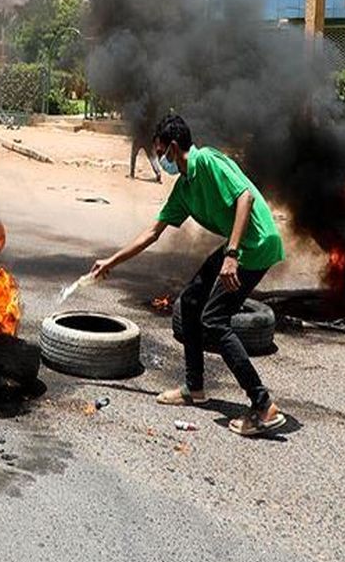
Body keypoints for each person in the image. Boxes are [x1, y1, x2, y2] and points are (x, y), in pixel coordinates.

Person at [90, 114, 286, 436]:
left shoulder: (207, 160)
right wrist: (111, 261)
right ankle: (194, 388)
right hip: (239, 246)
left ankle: (263, 405)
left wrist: (233, 255)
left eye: (160, 152)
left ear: (174, 147)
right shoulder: (183, 189)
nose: (159, 160)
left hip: (256, 244)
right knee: (190, 303)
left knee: (214, 320)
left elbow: (245, 197)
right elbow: (152, 233)